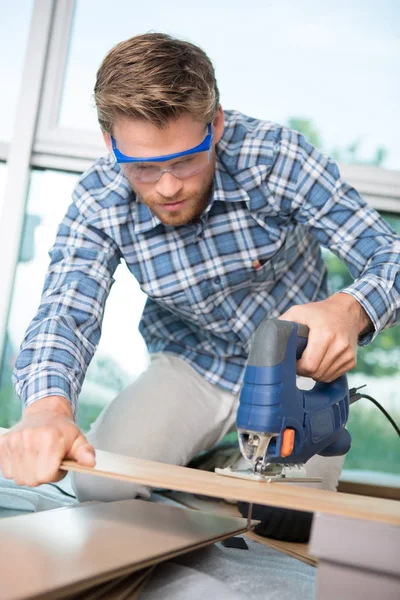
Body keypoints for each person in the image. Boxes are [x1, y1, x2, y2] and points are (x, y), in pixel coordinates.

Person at [0, 33, 399, 534]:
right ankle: (202, 462)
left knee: (292, 518)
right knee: (101, 487)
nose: (167, 186)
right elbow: (65, 311)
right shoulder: (98, 200)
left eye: (185, 159)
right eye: (143, 167)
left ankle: (236, 471)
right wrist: (46, 409)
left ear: (216, 124)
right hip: (192, 363)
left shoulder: (276, 158)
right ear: (110, 143)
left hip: (294, 373)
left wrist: (349, 310)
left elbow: (391, 254)